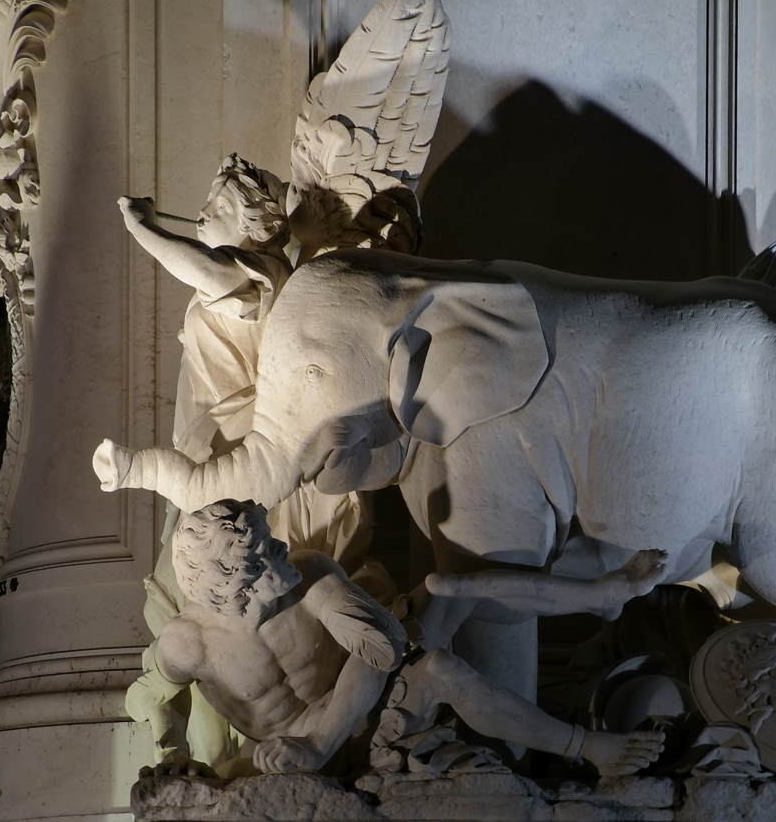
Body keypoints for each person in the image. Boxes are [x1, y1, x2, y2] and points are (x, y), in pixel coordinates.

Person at [121, 156, 392, 768]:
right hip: (216, 454)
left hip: (244, 460)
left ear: (250, 225)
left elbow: (203, 267)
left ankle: (275, 733)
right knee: (199, 609)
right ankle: (216, 747)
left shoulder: (256, 272)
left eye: (214, 211)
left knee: (222, 599)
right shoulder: (242, 276)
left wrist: (144, 230)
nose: (199, 217)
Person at [127, 500, 668, 778]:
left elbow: (381, 647)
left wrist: (348, 611)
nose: (282, 550)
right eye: (267, 554)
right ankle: (588, 747)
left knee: (445, 588)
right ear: (230, 587)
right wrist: (172, 748)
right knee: (438, 670)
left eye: (271, 541)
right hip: (299, 745)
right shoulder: (188, 643)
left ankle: (602, 594)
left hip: (358, 695)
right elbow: (147, 696)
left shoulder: (305, 572)